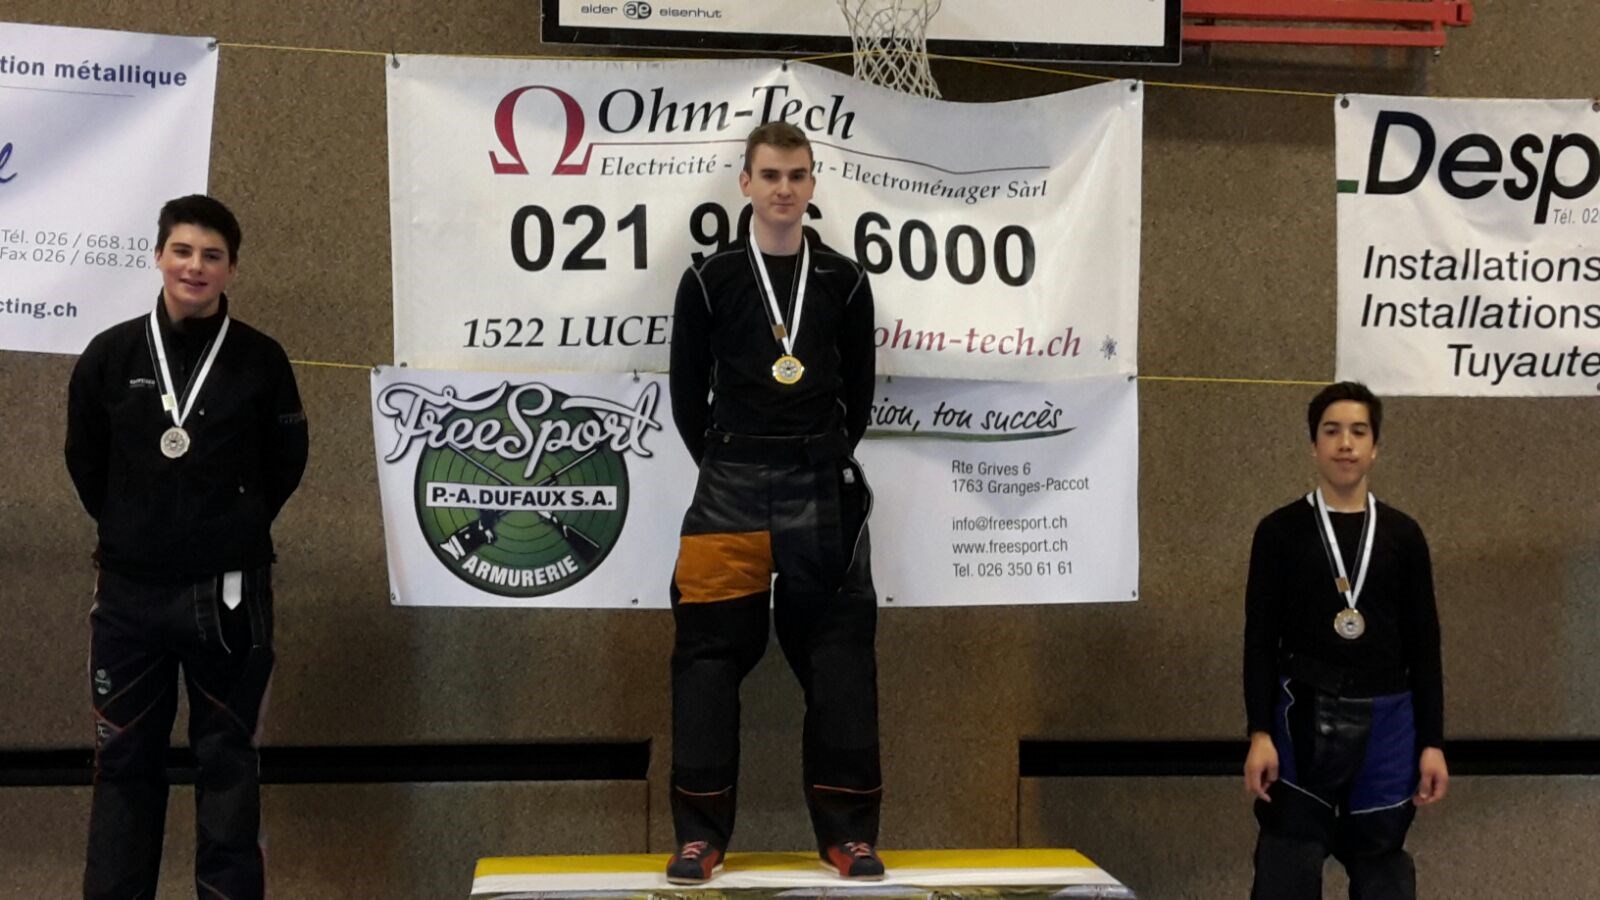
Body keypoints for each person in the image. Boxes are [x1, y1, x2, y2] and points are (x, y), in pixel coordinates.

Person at [66, 194, 309, 899]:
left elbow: (287, 461)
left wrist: (229, 525)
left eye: (211, 255)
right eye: (182, 251)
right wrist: (136, 526)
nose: (194, 266)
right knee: (122, 764)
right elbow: (85, 460)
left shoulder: (261, 359)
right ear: (158, 256)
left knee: (229, 763)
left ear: (231, 268)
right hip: (129, 596)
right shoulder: (111, 355)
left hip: (226, 597)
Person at [664, 121, 882, 884]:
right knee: (706, 661)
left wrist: (817, 453)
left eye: (796, 175)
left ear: (812, 185)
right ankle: (699, 837)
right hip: (729, 483)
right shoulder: (709, 280)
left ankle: (849, 837)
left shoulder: (845, 281)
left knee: (839, 660)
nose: (784, 189)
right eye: (770, 175)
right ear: (746, 185)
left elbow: (860, 394)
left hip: (819, 484)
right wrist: (729, 460)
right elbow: (686, 393)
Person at [1242, 381, 1447, 899]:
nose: (1345, 444)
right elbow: (1259, 640)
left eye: (1359, 432)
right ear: (1314, 445)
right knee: (1288, 858)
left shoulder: (1403, 535)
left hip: (1389, 722)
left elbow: (1425, 646)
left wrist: (1432, 743)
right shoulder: (1280, 531)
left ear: (1375, 446)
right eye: (1331, 431)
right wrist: (1259, 732)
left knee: (1383, 866)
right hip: (1302, 717)